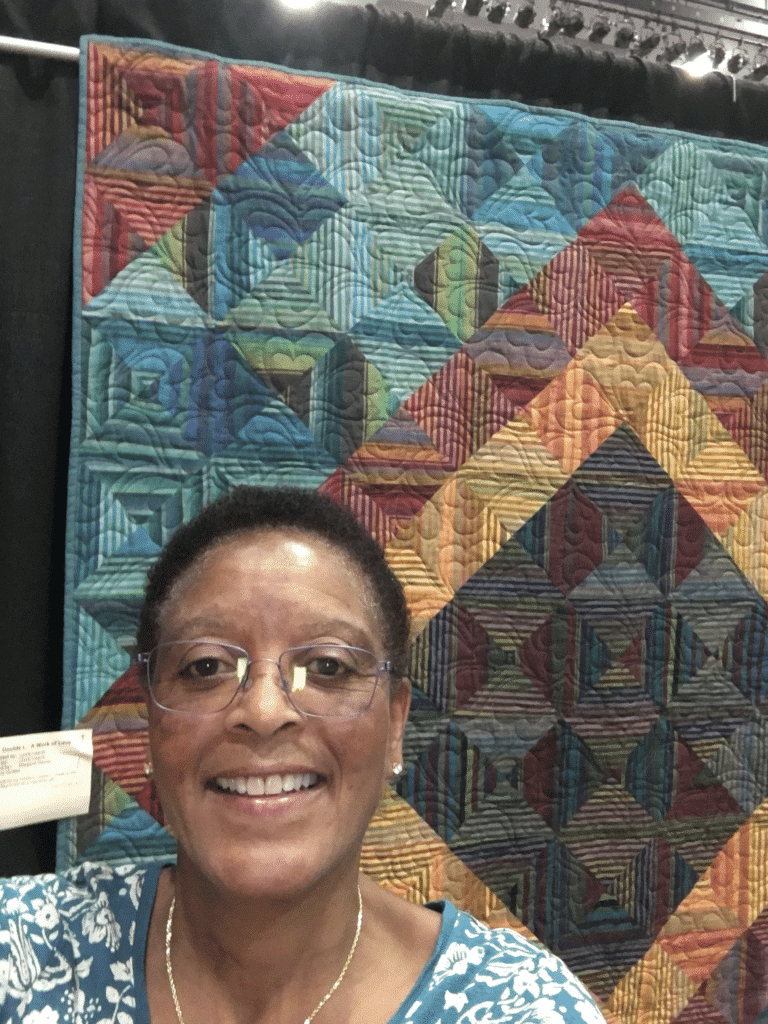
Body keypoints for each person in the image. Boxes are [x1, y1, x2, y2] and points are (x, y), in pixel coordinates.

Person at [0, 486, 604, 1024]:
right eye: (206, 667)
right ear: (151, 723)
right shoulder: (24, 950)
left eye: (328, 667)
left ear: (395, 724)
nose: (264, 711)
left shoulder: (522, 1007)